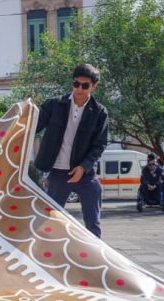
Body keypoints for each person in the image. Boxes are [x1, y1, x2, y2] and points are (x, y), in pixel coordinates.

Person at [34, 63, 109, 238]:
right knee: (49, 222)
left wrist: (83, 167)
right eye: (76, 84)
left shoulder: (100, 112)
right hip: (57, 173)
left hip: (85, 174)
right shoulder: (54, 105)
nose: (79, 89)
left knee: (93, 224)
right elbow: (32, 127)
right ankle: (49, 258)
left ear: (94, 86)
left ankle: (93, 262)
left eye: (85, 85)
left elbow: (99, 145)